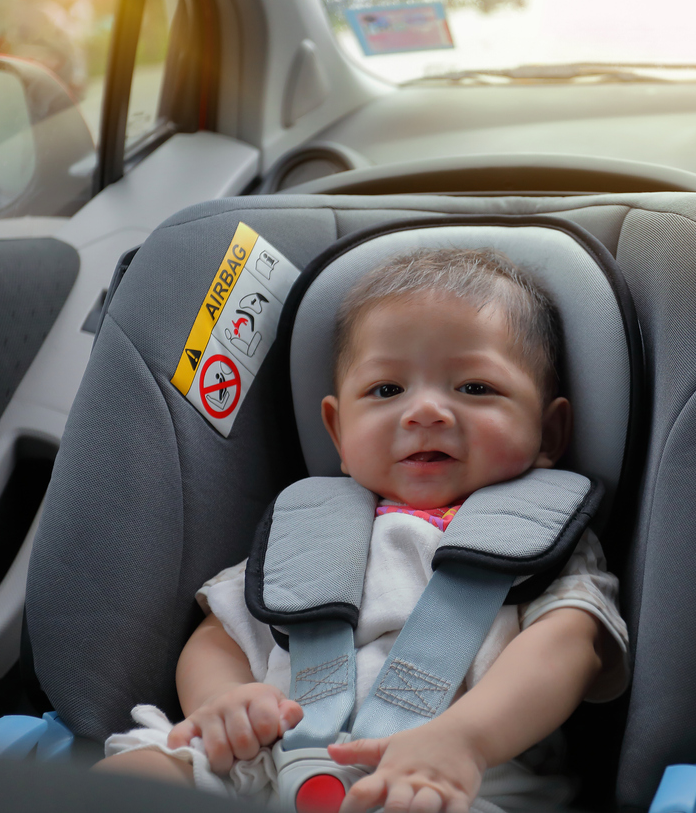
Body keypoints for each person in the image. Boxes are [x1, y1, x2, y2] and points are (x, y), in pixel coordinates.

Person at [95, 248, 629, 813]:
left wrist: (467, 740)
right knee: (143, 769)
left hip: (461, 774)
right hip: (272, 756)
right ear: (338, 432)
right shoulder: (309, 531)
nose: (425, 412)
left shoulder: (542, 535)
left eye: (474, 388)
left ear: (549, 432)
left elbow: (571, 645)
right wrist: (228, 700)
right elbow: (222, 633)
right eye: (386, 390)